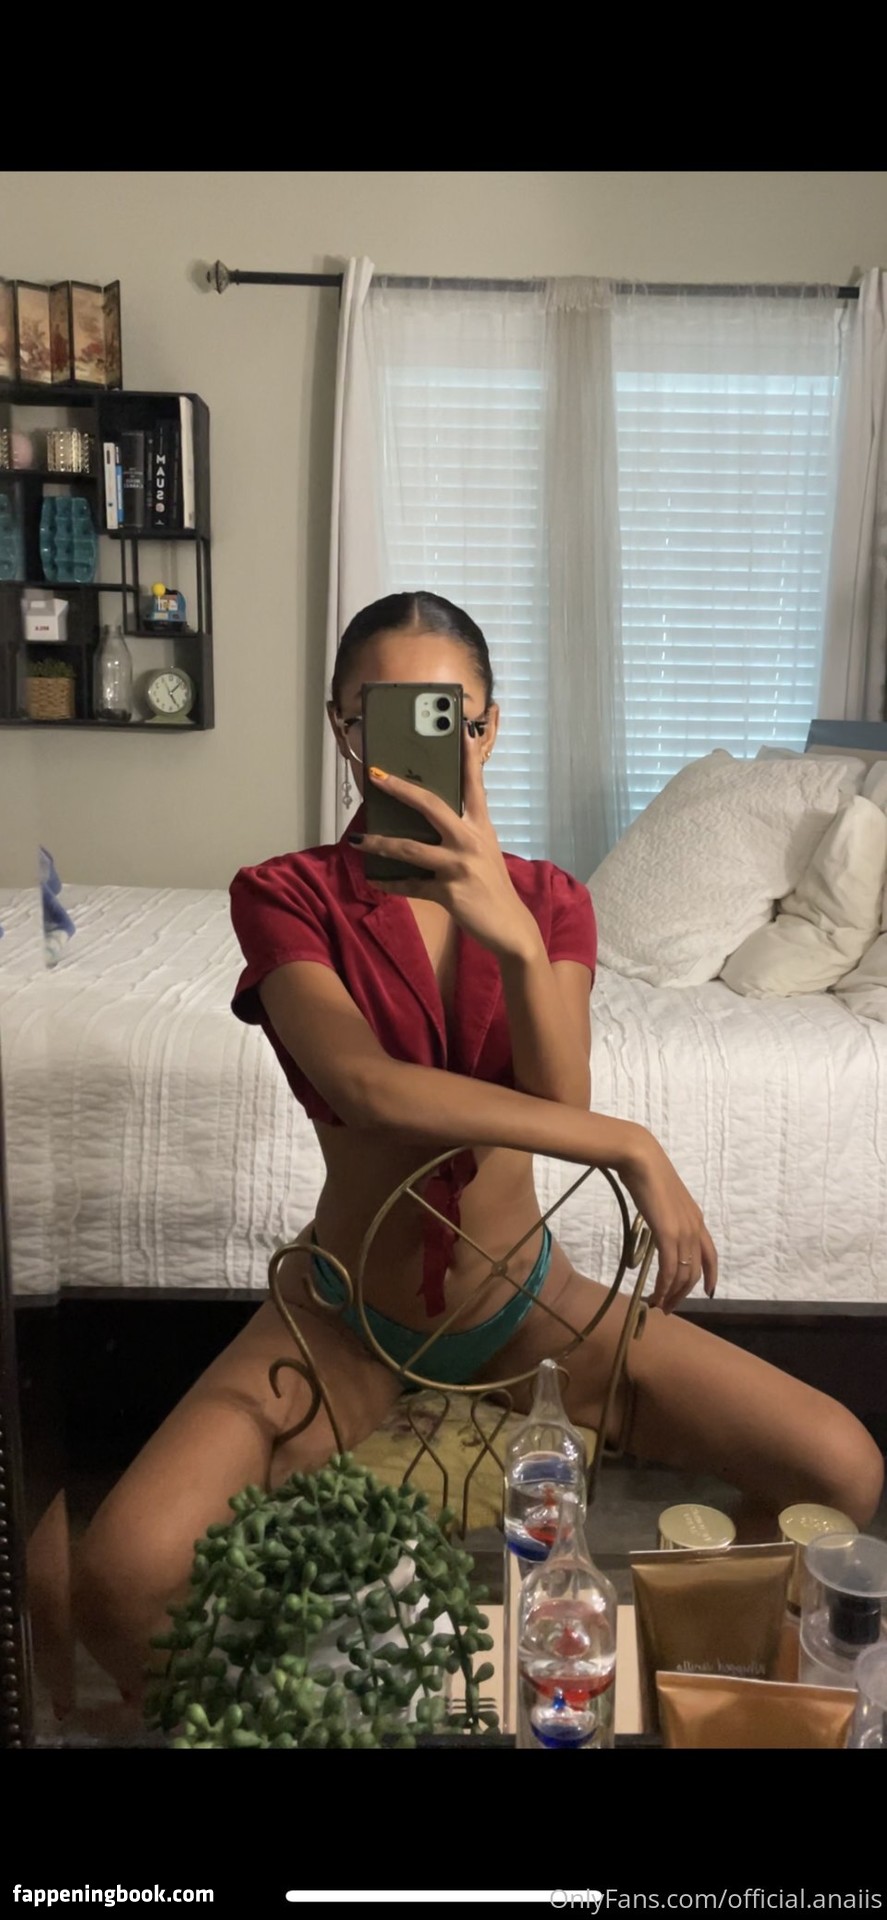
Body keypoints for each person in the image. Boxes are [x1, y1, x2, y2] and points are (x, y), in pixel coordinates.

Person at [71, 590, 884, 1703]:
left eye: (445, 713)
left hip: (528, 1309)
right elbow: (367, 1089)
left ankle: (640, 1668)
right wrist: (630, 1144)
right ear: (342, 728)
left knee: (839, 1467)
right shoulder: (284, 893)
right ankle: (311, 1712)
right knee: (120, 1576)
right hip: (343, 1318)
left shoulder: (550, 901)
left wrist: (508, 936)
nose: (414, 740)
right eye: (381, 712)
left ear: (486, 728)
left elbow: (556, 1093)